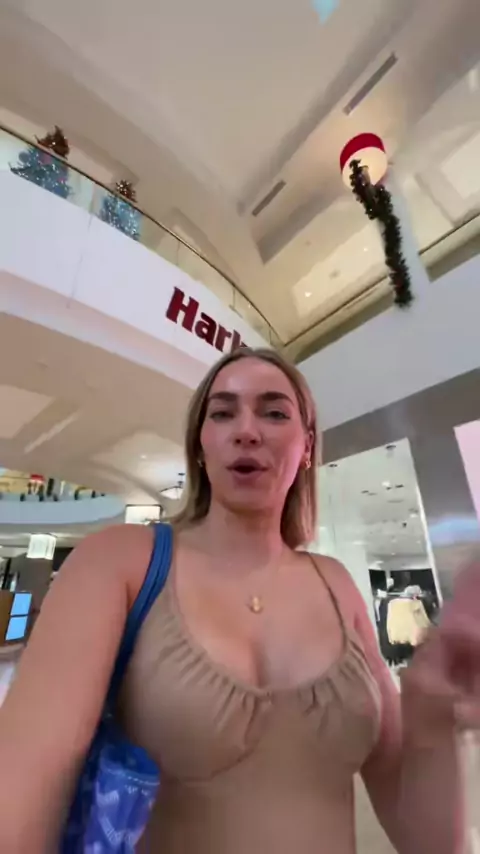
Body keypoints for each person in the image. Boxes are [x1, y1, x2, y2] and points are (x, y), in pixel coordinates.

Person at [0, 347, 479, 854]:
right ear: (200, 447)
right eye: (223, 413)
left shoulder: (336, 584)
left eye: (274, 413)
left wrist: (430, 715)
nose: (246, 431)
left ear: (307, 446)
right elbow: (19, 800)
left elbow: (427, 840)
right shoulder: (118, 563)